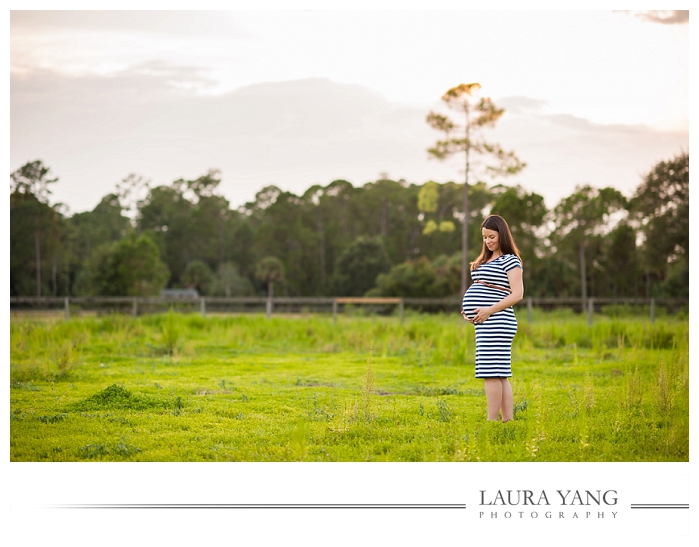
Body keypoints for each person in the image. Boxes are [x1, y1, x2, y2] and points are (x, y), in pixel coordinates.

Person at [461, 215, 524, 422]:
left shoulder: (510, 260)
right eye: (485, 237)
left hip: (499, 321)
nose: (488, 241)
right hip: (485, 322)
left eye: (492, 236)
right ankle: (507, 420)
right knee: (499, 372)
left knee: (490, 372)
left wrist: (488, 310)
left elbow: (517, 294)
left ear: (502, 235)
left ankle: (491, 421)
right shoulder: (483, 261)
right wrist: (472, 312)